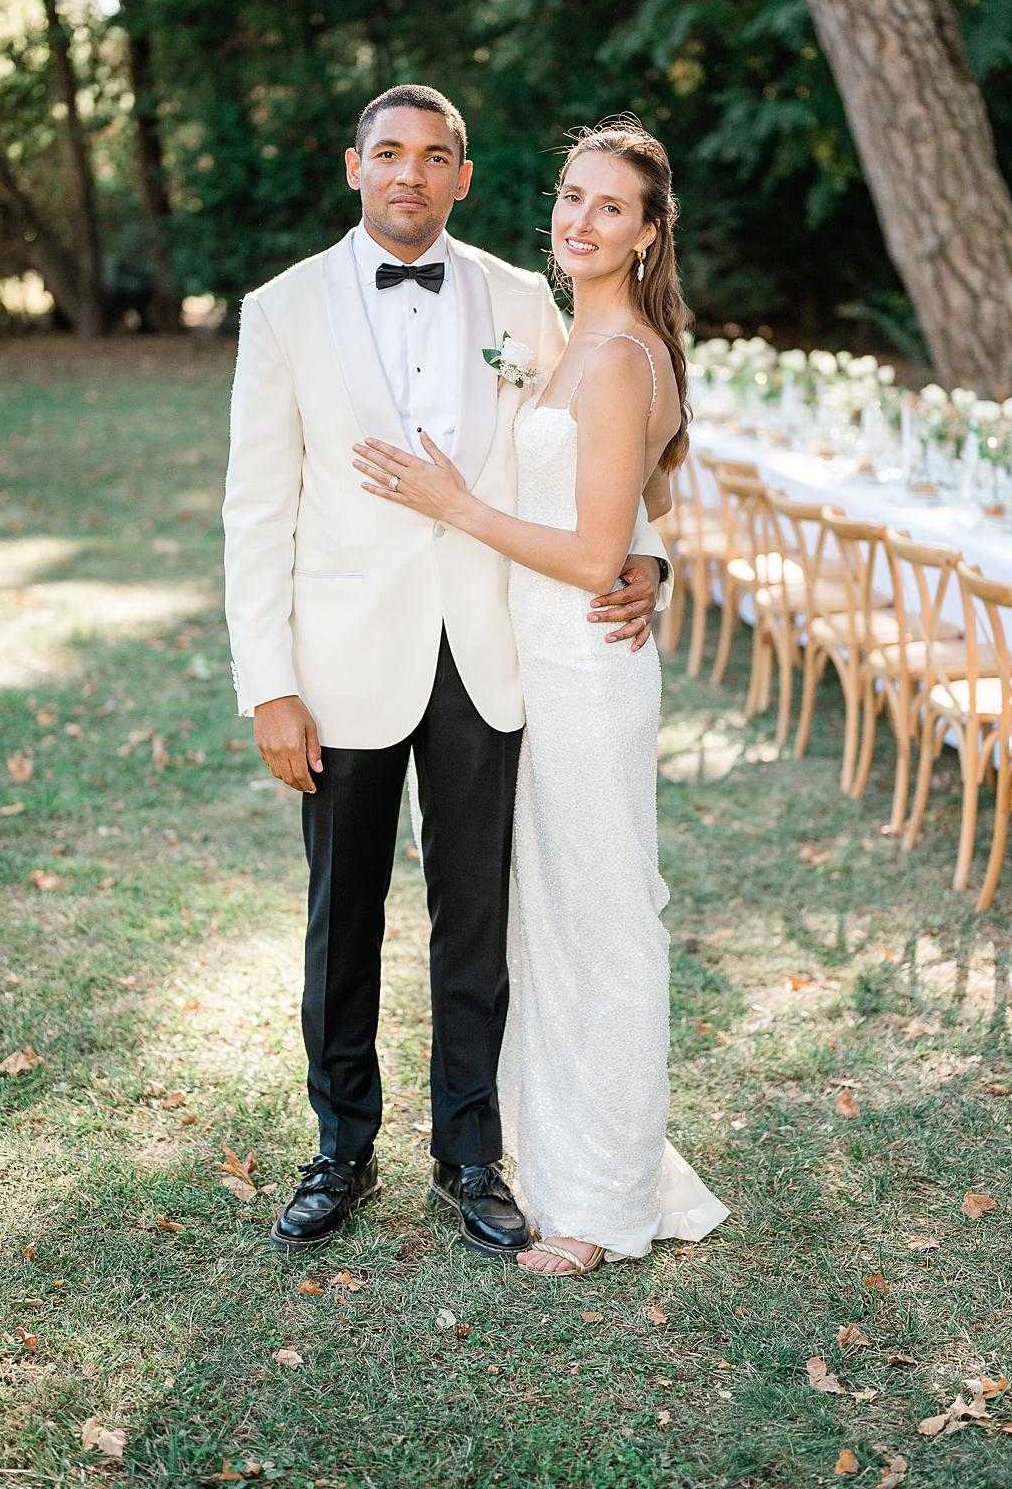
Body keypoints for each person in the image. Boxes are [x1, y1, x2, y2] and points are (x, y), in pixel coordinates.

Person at [222, 85, 672, 1258]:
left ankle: (471, 1153)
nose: (409, 175)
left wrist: (647, 560)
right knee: (343, 919)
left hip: (493, 653)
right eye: (389, 154)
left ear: (463, 179)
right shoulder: (281, 311)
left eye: (434, 157)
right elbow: (254, 511)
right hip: (341, 664)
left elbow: (604, 443)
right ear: (355, 167)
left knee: (477, 919)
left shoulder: (525, 300)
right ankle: (341, 1147)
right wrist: (269, 683)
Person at [354, 116, 729, 1275]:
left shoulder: (617, 358)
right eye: (572, 195)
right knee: (554, 922)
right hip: (542, 666)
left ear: (648, 234)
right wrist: (651, 559)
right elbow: (637, 508)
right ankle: (576, 1161)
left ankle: (603, 1209)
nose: (581, 220)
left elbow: (590, 550)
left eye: (611, 206)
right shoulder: (572, 339)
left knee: (603, 924)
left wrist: (455, 505)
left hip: (585, 669)